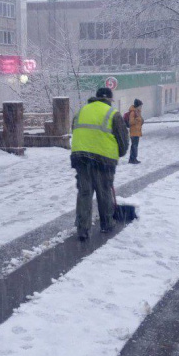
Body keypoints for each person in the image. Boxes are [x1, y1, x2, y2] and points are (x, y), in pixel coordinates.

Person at [71, 87, 129, 241]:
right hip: (103, 159)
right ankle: (107, 224)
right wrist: (119, 152)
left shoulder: (81, 111)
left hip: (81, 157)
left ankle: (82, 229)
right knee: (104, 191)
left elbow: (75, 130)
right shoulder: (113, 114)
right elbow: (123, 141)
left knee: (84, 193)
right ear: (109, 99)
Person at [127, 99, 144, 164]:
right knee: (134, 146)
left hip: (137, 131)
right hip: (134, 132)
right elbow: (130, 122)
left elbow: (140, 121)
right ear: (137, 106)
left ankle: (133, 158)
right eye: (140, 106)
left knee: (135, 146)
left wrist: (141, 121)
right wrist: (137, 119)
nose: (141, 107)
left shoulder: (138, 112)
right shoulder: (133, 112)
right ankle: (132, 159)